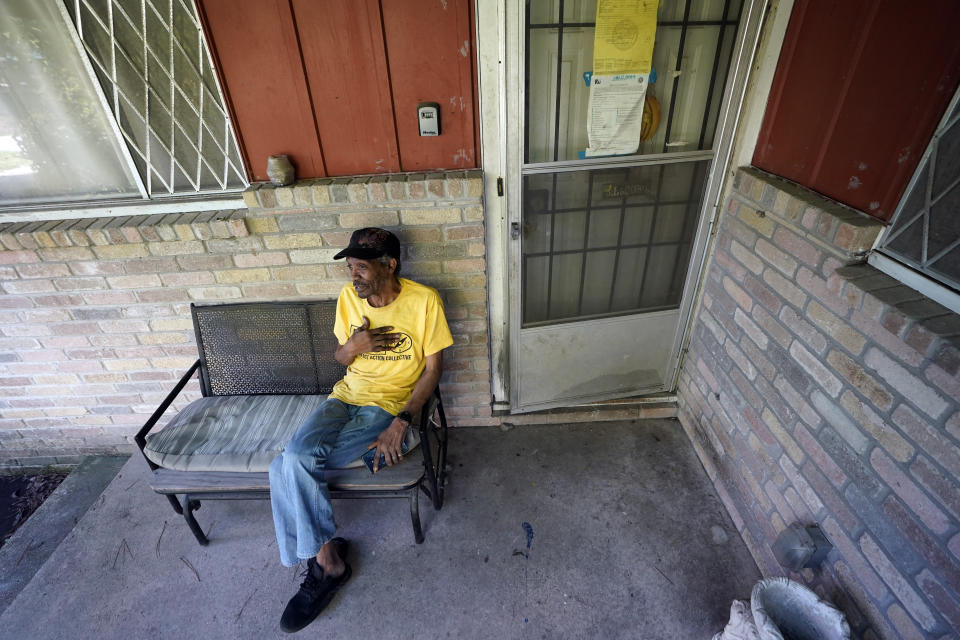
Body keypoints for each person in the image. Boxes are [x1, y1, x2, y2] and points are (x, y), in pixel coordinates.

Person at [269, 227, 453, 633]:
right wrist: (352, 349)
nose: (354, 276)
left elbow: (434, 370)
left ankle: (327, 564)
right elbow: (340, 356)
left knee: (284, 466)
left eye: (363, 267)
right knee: (294, 461)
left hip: (385, 407)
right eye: (351, 267)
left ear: (391, 265)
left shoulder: (424, 301)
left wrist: (401, 421)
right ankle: (327, 561)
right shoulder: (348, 300)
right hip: (343, 398)